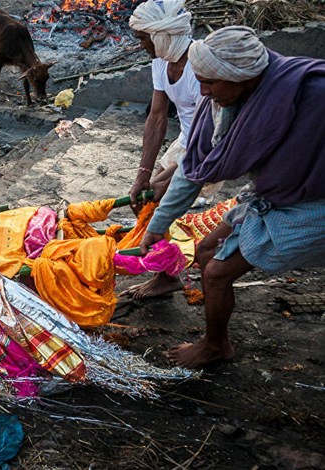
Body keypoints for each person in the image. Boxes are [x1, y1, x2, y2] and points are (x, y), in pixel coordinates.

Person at [139, 26, 325, 368]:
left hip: (311, 204)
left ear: (240, 76)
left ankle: (215, 346)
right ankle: (216, 338)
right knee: (206, 250)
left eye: (210, 83)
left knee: (216, 273)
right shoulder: (226, 105)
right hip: (274, 195)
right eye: (201, 81)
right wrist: (158, 224)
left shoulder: (312, 92)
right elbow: (194, 168)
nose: (205, 92)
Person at [125, 0, 221, 299]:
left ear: (163, 35)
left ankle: (168, 275)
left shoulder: (200, 67)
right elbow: (156, 116)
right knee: (149, 196)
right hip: (188, 143)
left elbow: (210, 137)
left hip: (214, 146)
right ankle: (166, 272)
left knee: (158, 202)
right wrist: (143, 173)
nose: (142, 46)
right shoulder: (161, 60)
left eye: (144, 38)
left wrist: (167, 179)